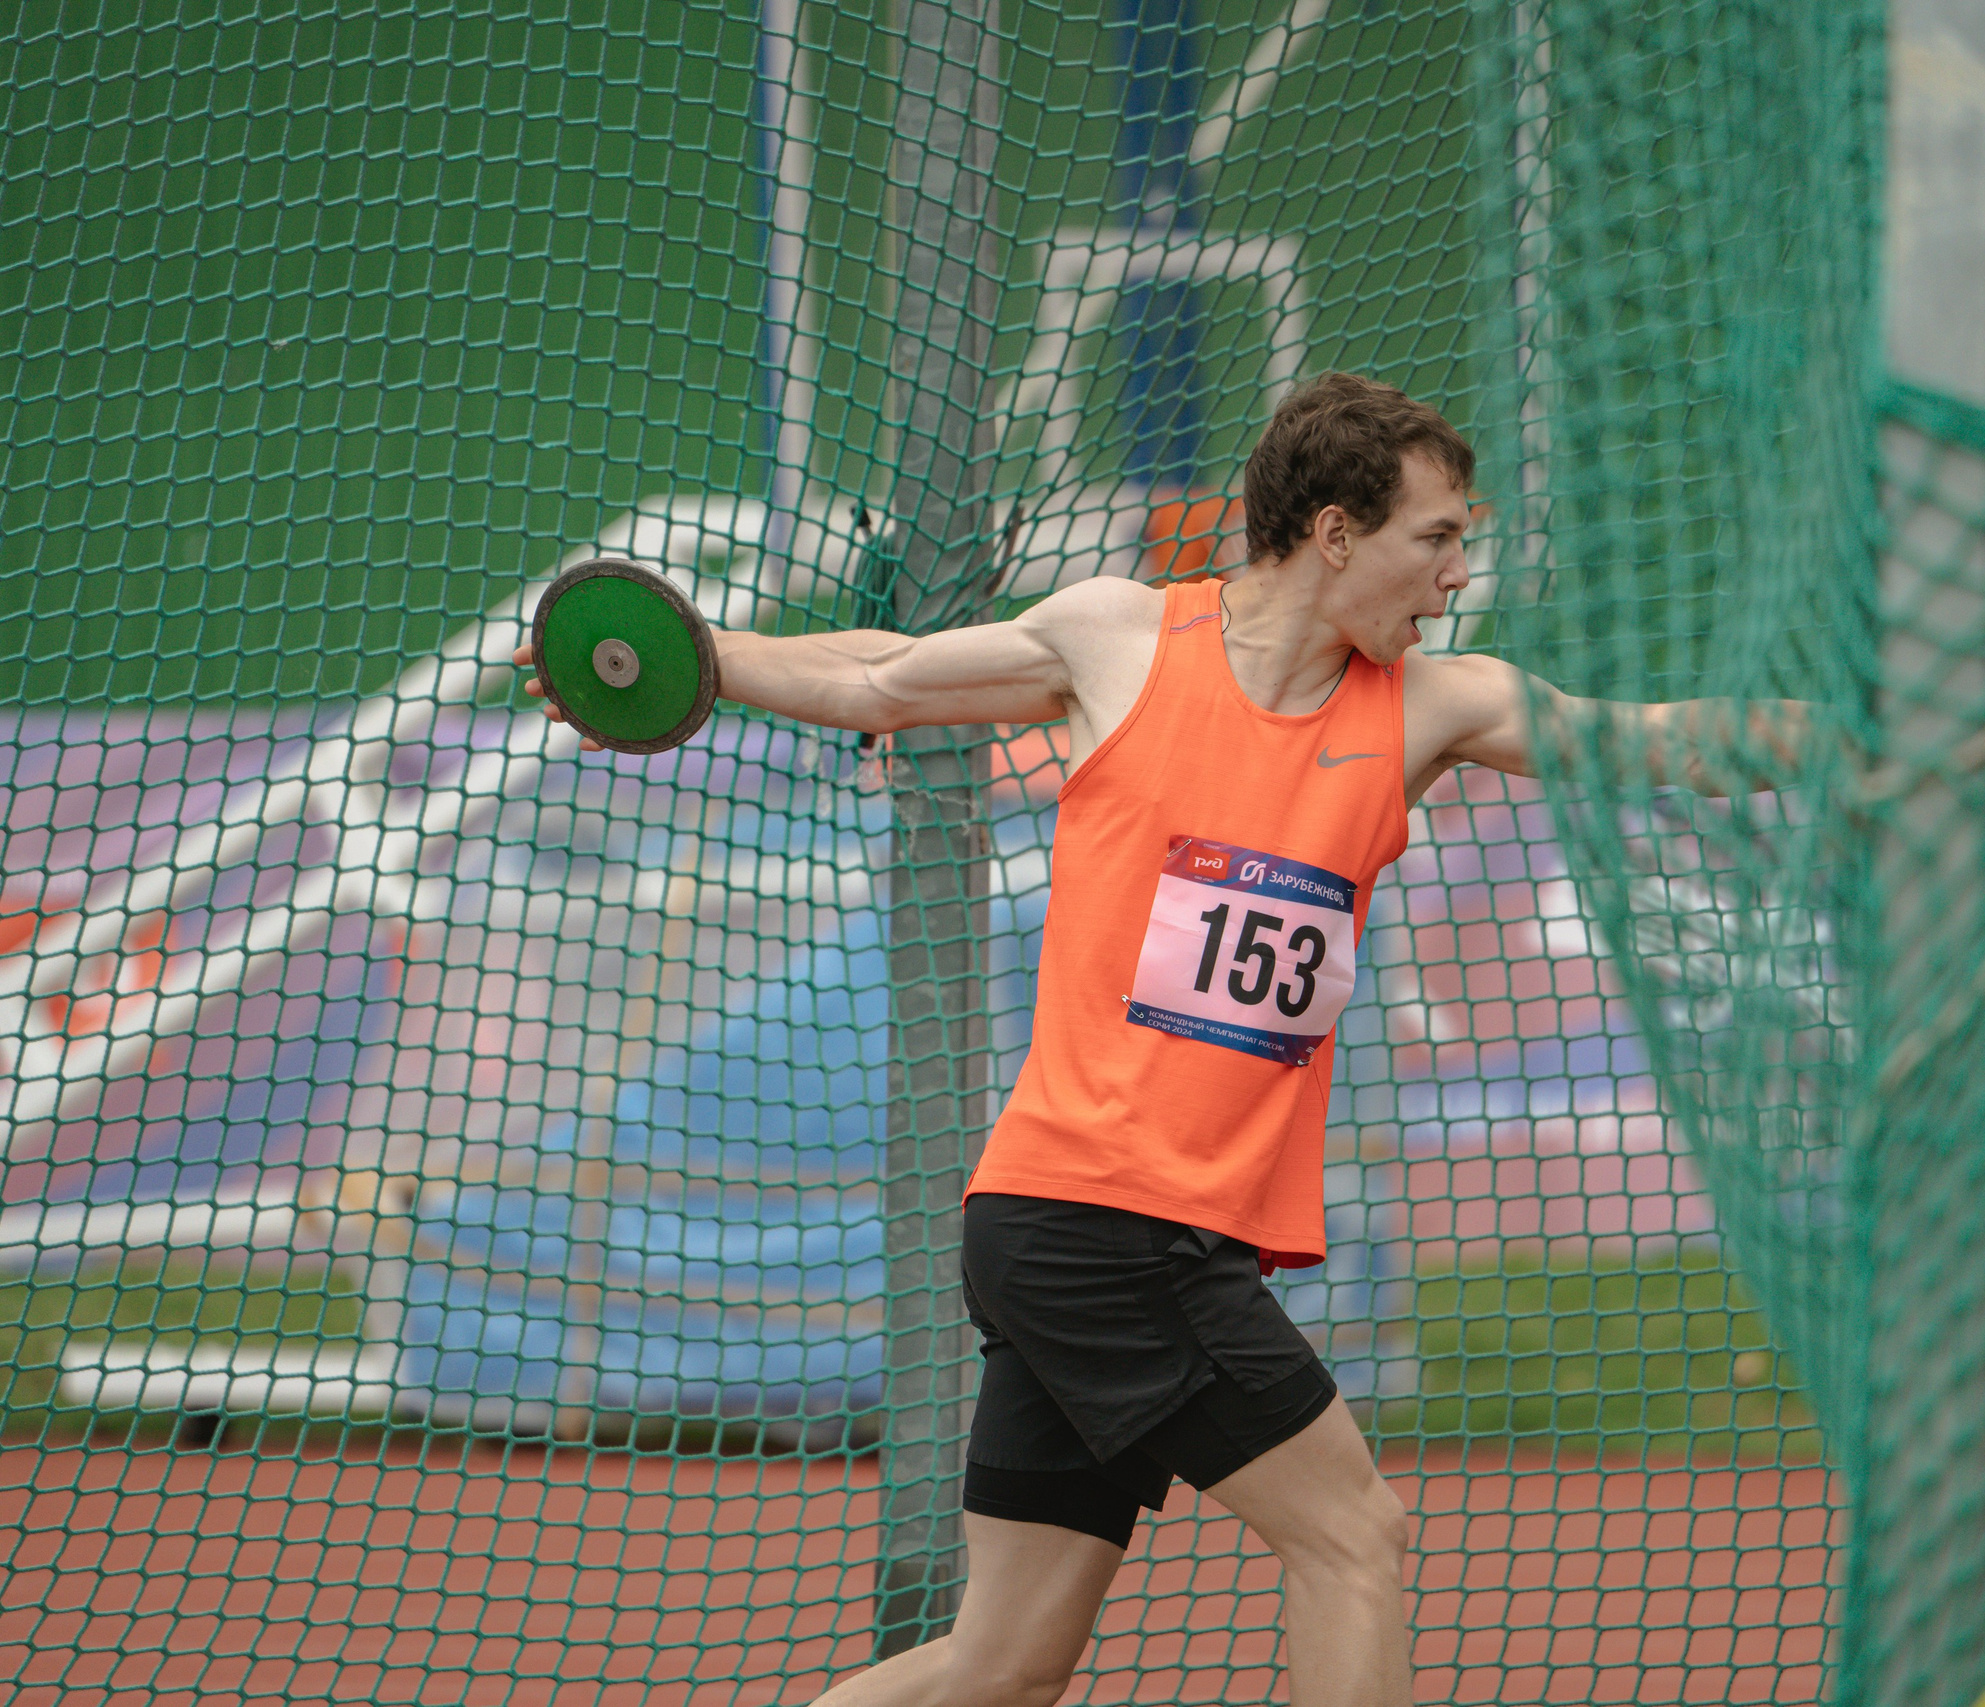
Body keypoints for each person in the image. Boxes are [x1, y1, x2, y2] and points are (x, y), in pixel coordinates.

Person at [519, 372, 1801, 1707]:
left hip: (1092, 1232)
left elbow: (1664, 742)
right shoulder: (1121, 640)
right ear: (1335, 532)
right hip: (1099, 1218)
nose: (1455, 574)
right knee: (1354, 1536)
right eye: (1436, 538)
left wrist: (1870, 736)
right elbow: (882, 680)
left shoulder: (1432, 706)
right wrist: (691, 660)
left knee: (1004, 1665)